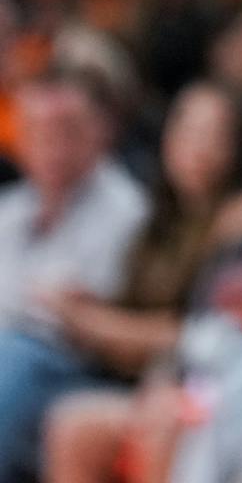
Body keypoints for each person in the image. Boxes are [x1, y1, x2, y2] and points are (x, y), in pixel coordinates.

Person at [1, 82, 242, 480]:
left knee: (32, 378)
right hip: (133, 375)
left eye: (214, 135)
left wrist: (87, 319)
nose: (197, 148)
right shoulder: (162, 220)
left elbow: (195, 334)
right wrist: (94, 311)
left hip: (196, 385)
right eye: (187, 130)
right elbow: (130, 308)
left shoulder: (241, 223)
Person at [0, 69, 151, 479]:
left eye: (66, 130)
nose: (52, 145)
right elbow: (43, 303)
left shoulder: (127, 209)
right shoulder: (10, 208)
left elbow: (85, 318)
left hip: (83, 371)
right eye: (38, 131)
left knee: (12, 359)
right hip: (17, 357)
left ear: (99, 133)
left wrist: (58, 308)